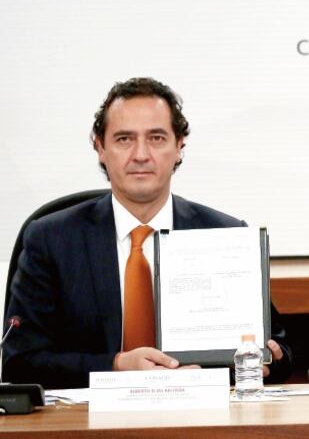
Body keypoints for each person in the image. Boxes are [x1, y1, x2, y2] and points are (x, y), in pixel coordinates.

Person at [4, 77, 292, 389]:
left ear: (179, 146)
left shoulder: (225, 234)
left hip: (199, 412)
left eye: (156, 138)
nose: (141, 154)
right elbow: (19, 362)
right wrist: (115, 365)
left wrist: (269, 360)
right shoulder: (51, 240)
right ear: (100, 148)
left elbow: (279, 353)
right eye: (124, 139)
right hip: (90, 417)